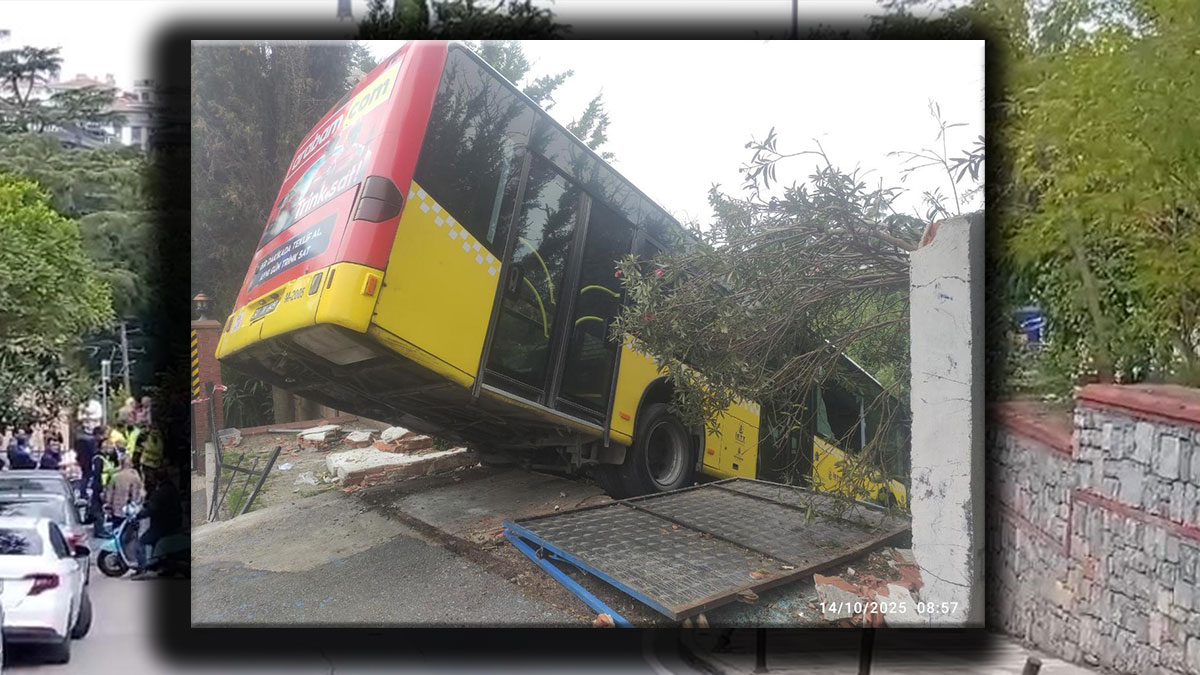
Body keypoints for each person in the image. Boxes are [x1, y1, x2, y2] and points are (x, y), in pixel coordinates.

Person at [132, 468, 182, 580]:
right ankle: (163, 566)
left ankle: (143, 568)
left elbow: (153, 508)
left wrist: (139, 515)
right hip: (172, 523)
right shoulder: (170, 488)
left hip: (162, 525)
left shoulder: (161, 492)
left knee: (141, 542)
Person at [105, 455, 143, 521]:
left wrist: (108, 506)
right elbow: (136, 495)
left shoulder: (115, 476)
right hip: (128, 510)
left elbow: (109, 493)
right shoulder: (135, 477)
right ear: (131, 464)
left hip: (115, 509)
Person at [74, 424, 98, 499]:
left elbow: (77, 450)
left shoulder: (78, 439)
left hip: (83, 460)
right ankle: (83, 492)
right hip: (88, 460)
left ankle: (83, 492)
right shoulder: (89, 440)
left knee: (85, 477)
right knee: (86, 477)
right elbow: (92, 451)